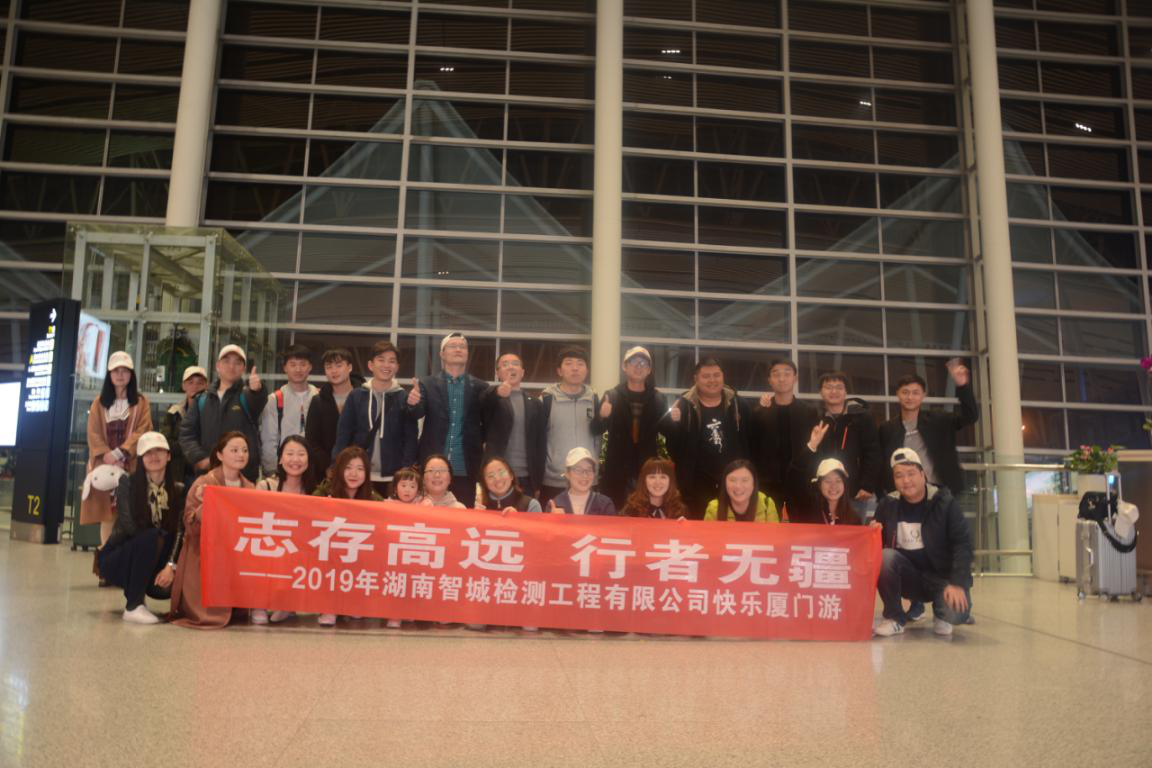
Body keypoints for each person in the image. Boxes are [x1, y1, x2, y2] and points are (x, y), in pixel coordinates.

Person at [872, 448, 973, 638]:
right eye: (899, 475)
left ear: (923, 474)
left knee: (956, 614)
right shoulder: (888, 505)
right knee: (885, 557)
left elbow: (963, 544)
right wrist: (872, 533)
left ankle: (941, 613)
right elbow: (874, 548)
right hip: (909, 578)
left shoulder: (944, 503)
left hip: (941, 578)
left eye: (911, 473)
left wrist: (958, 583)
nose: (906, 480)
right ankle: (894, 618)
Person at [169, 431, 255, 629]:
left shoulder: (250, 487)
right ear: (219, 455)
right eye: (234, 450)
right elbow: (189, 523)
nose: (241, 455)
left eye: (244, 450)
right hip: (205, 549)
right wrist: (204, 508)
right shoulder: (204, 483)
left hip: (237, 549)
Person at [97, 431, 184, 624]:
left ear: (169, 456)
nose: (154, 456)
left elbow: (179, 531)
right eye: (148, 453)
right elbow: (129, 526)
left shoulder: (178, 489)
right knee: (152, 536)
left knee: (162, 537)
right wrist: (156, 538)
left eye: (159, 450)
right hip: (120, 557)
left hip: (156, 559)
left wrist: (171, 566)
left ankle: (144, 597)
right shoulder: (127, 483)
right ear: (141, 459)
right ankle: (133, 606)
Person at [406, 333, 489, 507]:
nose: (458, 349)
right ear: (442, 354)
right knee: (427, 516)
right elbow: (416, 414)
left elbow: (487, 425)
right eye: (453, 346)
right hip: (432, 467)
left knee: (463, 516)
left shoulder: (481, 387)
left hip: (465, 466)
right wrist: (413, 403)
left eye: (462, 346)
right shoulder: (427, 384)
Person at [81, 351, 154, 548]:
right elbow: (93, 432)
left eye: (125, 370)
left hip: (132, 465)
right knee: (107, 515)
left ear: (131, 374)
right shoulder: (98, 404)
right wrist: (107, 455)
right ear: (109, 374)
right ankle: (105, 558)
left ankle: (126, 559)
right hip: (104, 466)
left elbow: (144, 429)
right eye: (116, 371)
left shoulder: (141, 403)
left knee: (131, 514)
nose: (120, 375)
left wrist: (122, 452)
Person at [663, 358, 752, 519]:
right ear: (696, 379)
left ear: (723, 376)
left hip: (734, 484)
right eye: (706, 376)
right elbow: (673, 449)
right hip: (696, 485)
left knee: (731, 528)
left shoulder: (738, 405)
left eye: (716, 375)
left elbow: (752, 441)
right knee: (698, 528)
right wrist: (672, 424)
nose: (712, 380)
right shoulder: (684, 406)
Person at [880, 361, 978, 496]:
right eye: (905, 392)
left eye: (915, 393)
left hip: (941, 492)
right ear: (898, 394)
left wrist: (963, 387)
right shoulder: (888, 429)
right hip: (905, 494)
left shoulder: (938, 420)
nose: (910, 397)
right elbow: (882, 464)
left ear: (923, 395)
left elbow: (970, 417)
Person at [333, 341, 418, 496]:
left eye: (391, 361)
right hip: (359, 477)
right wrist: (336, 465)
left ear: (397, 367)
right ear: (371, 365)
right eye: (381, 360)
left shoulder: (403, 398)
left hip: (394, 477)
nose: (386, 365)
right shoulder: (356, 396)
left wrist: (405, 470)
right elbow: (343, 434)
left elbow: (411, 437)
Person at [178, 344, 268, 482]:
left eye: (237, 363)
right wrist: (200, 459)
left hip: (242, 477)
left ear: (243, 368)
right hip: (208, 476)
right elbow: (187, 433)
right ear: (218, 366)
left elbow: (258, 400)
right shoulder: (202, 399)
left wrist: (258, 390)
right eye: (226, 361)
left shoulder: (247, 396)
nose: (231, 367)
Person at [795, 371, 882, 512]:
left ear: (846, 391)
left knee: (853, 526)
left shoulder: (861, 418)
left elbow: (872, 453)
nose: (834, 391)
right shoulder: (814, 418)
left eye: (839, 387)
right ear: (821, 392)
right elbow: (808, 454)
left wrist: (867, 485)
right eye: (828, 387)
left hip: (854, 492)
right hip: (820, 491)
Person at [257, 434, 319, 626]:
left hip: (300, 549)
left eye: (301, 454)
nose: (295, 459)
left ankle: (288, 604)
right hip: (270, 545)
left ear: (308, 460)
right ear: (280, 459)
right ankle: (258, 604)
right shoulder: (266, 486)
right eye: (289, 454)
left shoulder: (314, 491)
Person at [751, 358, 818, 522]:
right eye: (776, 374)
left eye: (787, 374)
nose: (782, 379)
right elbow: (752, 444)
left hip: (801, 479)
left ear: (795, 378)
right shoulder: (760, 411)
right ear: (769, 380)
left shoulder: (809, 411)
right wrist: (760, 411)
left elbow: (816, 446)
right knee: (767, 528)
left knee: (803, 528)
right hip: (768, 481)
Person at [600, 347, 667, 507]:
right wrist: (602, 416)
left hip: (646, 470)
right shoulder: (612, 395)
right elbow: (596, 430)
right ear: (624, 366)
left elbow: (668, 433)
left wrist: (675, 421)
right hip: (616, 470)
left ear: (649, 370)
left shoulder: (658, 398)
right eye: (634, 362)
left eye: (643, 363)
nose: (639, 366)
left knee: (645, 514)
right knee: (614, 513)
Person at [538, 346, 604, 505]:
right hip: (554, 480)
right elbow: (537, 440)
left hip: (587, 479)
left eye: (580, 363)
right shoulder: (546, 400)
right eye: (568, 363)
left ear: (586, 370)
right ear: (559, 371)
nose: (575, 368)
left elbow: (598, 436)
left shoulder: (594, 399)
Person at [481, 352, 544, 498]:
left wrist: (538, 481)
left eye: (515, 364)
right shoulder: (490, 397)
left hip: (527, 476)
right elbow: (483, 405)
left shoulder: (535, 403)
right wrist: (498, 393)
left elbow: (540, 443)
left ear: (522, 372)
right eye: (505, 364)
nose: (511, 367)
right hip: (497, 475)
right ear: (497, 373)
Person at [260, 344, 317, 476]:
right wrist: (272, 471)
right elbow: (269, 440)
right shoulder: (275, 399)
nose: (298, 369)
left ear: (310, 367)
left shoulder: (319, 397)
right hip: (283, 470)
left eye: (303, 364)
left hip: (314, 471)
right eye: (293, 364)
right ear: (285, 367)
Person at [305, 347, 361, 479]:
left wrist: (353, 465)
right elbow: (312, 441)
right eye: (328, 367)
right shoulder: (318, 401)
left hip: (359, 470)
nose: (333, 371)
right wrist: (329, 466)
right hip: (327, 472)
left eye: (339, 365)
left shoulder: (364, 398)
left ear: (350, 367)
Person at [162, 365, 207, 488]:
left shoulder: (213, 412)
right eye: (190, 382)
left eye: (200, 383)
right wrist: (189, 446)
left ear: (206, 386)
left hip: (205, 472)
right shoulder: (174, 412)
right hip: (179, 473)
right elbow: (166, 443)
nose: (195, 386)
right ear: (183, 386)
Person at [546, 447, 616, 516]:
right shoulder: (555, 504)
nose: (585, 475)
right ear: (567, 474)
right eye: (578, 470)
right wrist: (554, 520)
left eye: (589, 470)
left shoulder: (605, 504)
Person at [703, 459, 779, 523]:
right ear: (725, 483)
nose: (738, 486)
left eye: (745, 480)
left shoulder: (767, 505)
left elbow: (774, 535)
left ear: (754, 483)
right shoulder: (714, 508)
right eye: (732, 480)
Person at [621, 458, 688, 519]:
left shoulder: (680, 511)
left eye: (663, 477)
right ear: (644, 481)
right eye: (652, 477)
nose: (657, 482)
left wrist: (684, 526)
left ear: (671, 481)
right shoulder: (631, 510)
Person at [805, 458, 861, 526]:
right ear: (819, 485)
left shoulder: (854, 519)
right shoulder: (807, 514)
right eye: (828, 481)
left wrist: (871, 529)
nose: (833, 486)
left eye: (838, 481)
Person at [477, 456, 542, 513]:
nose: (497, 479)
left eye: (501, 472)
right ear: (485, 483)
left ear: (511, 475)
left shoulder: (531, 505)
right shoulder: (479, 506)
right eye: (491, 476)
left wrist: (517, 519)